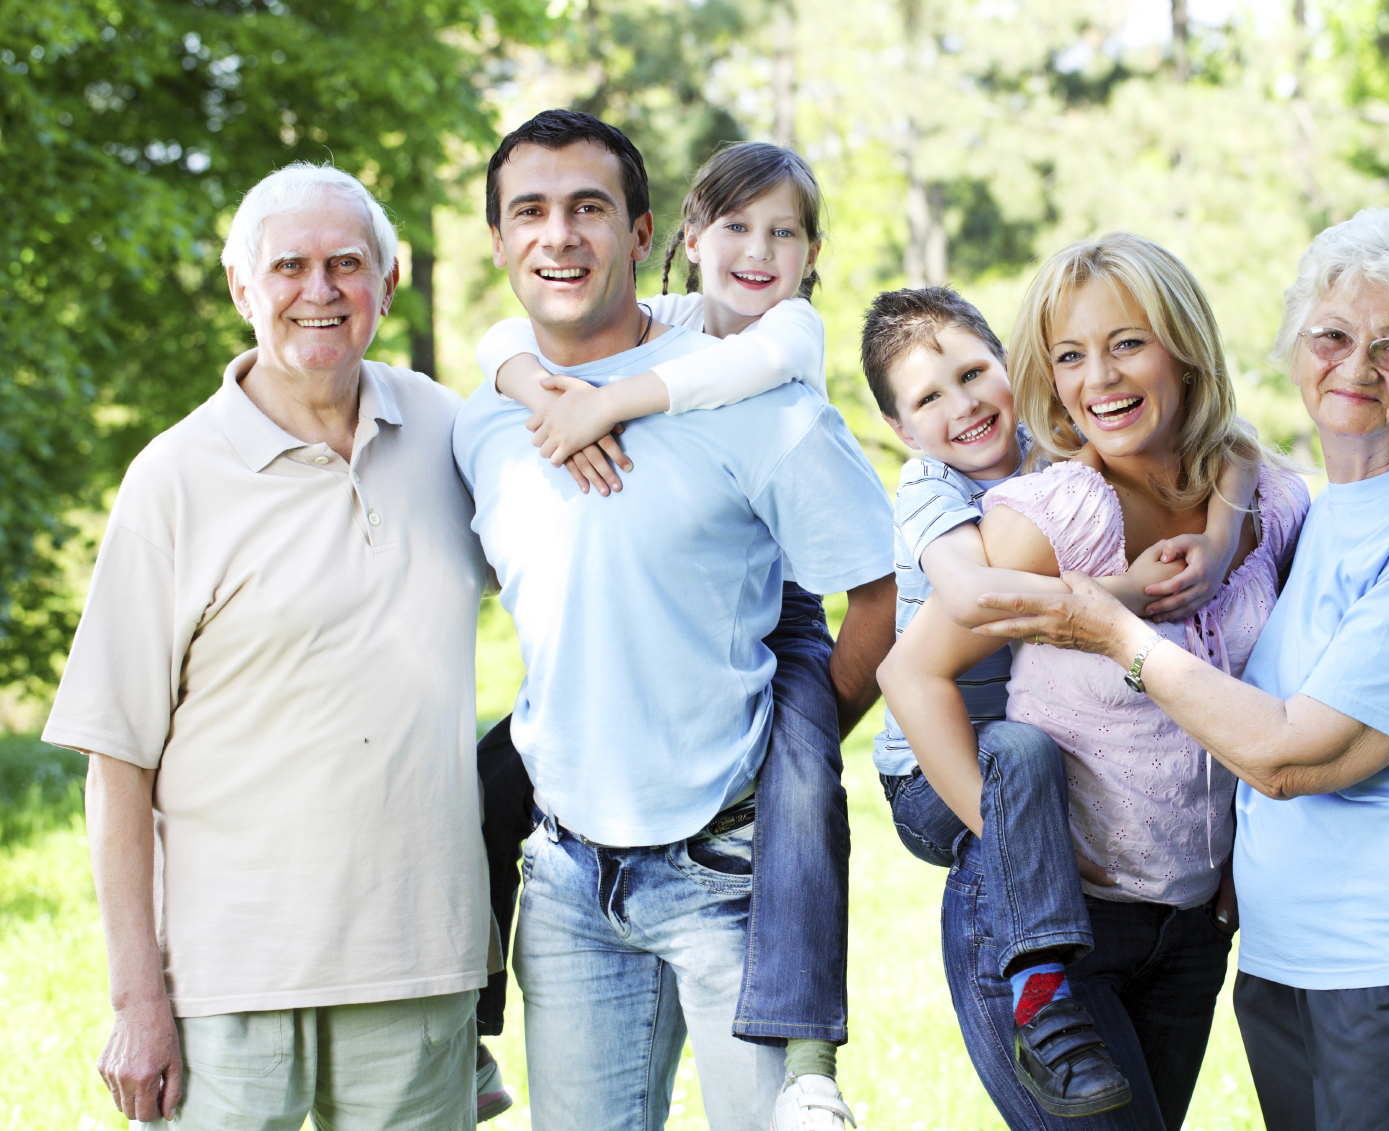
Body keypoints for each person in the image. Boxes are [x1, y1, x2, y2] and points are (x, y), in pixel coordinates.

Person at [974, 208, 1389, 1131]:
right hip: (1292, 962)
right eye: (1331, 336)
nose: (1357, 366)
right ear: (1297, 351)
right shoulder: (1318, 513)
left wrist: (1116, 629)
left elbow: (1297, 757)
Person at [453, 109, 896, 1131]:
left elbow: (881, 592)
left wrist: (791, 742)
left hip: (727, 875)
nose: (558, 235)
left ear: (645, 232)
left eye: (589, 209)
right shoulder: (484, 419)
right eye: (531, 211)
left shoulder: (759, 395)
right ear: (499, 241)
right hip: (562, 879)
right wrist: (530, 380)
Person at [44, 162, 492, 1129]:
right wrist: (137, 1003)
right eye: (289, 266)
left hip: (417, 966)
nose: (320, 291)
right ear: (243, 287)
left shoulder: (452, 433)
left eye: (348, 263)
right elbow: (115, 760)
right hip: (226, 988)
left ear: (389, 280)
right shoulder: (172, 478)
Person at [881, 233, 1309, 1131]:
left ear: (1184, 346)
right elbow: (910, 670)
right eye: (1071, 355)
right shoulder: (1052, 515)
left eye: (1126, 343)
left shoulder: (1267, 499)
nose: (1099, 378)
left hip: (1192, 930)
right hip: (1055, 934)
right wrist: (1006, 844)